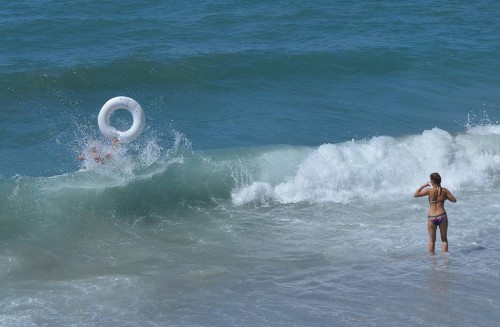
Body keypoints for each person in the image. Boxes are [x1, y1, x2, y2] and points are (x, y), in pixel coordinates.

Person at [414, 172, 456, 254]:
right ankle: (445, 260)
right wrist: (444, 196)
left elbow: (415, 194)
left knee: (432, 240)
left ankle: (432, 262)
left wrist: (423, 186)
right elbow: (454, 200)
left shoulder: (429, 190)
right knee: (444, 239)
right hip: (442, 216)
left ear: (432, 181)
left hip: (431, 217)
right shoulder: (445, 191)